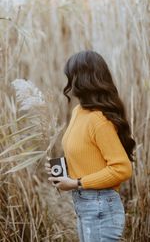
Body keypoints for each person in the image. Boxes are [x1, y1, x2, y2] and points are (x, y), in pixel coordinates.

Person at [45, 50, 135, 242]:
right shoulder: (79, 111)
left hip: (102, 207)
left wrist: (77, 183)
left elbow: (122, 169)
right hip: (85, 205)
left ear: (83, 79)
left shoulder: (99, 120)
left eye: (71, 76)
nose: (68, 82)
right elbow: (89, 155)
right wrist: (65, 171)